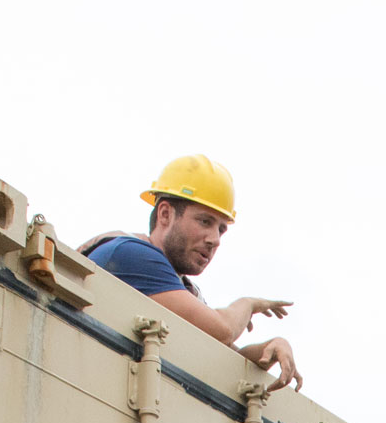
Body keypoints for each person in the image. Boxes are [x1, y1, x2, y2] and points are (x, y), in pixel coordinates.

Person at [81, 155, 301, 391]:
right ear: (165, 214)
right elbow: (223, 331)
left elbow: (225, 354)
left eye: (221, 229)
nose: (214, 240)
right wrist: (248, 304)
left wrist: (270, 347)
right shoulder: (130, 255)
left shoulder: (177, 286)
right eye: (205, 221)